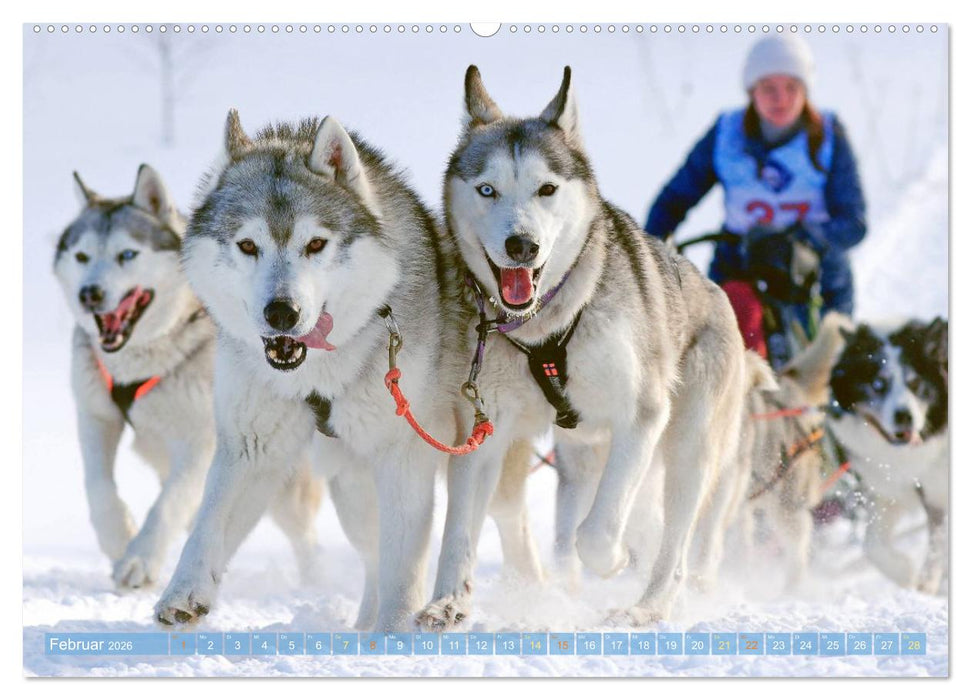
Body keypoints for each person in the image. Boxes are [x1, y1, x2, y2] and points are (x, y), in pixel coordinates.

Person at [645, 35, 866, 366]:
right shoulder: (726, 134)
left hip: (816, 272)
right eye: (768, 88)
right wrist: (652, 251)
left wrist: (806, 237)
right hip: (740, 261)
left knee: (822, 370)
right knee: (725, 359)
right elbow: (675, 198)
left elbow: (854, 223)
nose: (781, 98)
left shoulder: (829, 136)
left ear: (806, 90)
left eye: (791, 87)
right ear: (751, 91)